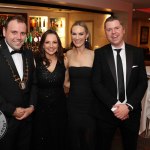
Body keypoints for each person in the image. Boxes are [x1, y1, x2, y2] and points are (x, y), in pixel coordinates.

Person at [91, 15, 148, 150]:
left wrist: (127, 106)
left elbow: (142, 82)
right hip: (106, 112)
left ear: (123, 30)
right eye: (109, 29)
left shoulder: (137, 53)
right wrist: (116, 106)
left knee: (130, 146)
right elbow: (96, 83)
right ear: (105, 32)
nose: (113, 32)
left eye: (116, 28)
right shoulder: (99, 53)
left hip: (131, 113)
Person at [0, 15, 37, 150]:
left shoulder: (28, 53)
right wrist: (12, 110)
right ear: (4, 32)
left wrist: (32, 107)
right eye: (14, 32)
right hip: (4, 121)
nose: (19, 37)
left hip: (27, 121)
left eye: (22, 33)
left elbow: (34, 83)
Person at [31, 29, 67, 150]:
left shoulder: (64, 60)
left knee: (58, 139)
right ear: (42, 44)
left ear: (58, 44)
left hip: (60, 108)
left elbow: (67, 83)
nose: (51, 46)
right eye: (47, 42)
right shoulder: (35, 60)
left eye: (54, 42)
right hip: (40, 109)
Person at [65, 21, 96, 150]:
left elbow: (99, 82)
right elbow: (65, 81)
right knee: (74, 141)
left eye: (81, 34)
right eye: (74, 34)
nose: (77, 37)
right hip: (72, 105)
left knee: (89, 141)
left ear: (86, 35)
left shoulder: (94, 55)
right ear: (71, 35)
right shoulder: (67, 55)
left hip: (90, 106)